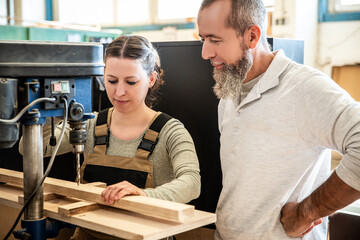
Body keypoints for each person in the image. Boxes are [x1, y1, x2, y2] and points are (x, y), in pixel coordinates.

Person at [197, 0, 360, 239]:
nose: (205, 53)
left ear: (252, 36)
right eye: (203, 39)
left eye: (215, 39)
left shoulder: (305, 88)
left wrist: (306, 212)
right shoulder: (229, 93)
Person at [23, 35, 201, 239]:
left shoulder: (171, 132)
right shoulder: (89, 124)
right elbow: (33, 148)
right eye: (112, 80)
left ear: (151, 79)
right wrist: (45, 109)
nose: (120, 92)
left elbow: (192, 182)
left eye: (131, 82)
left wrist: (144, 195)